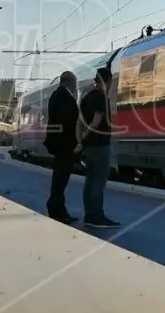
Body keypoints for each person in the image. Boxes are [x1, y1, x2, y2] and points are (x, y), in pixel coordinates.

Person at [76, 67, 119, 229]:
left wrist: (81, 142)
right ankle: (97, 216)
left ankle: (89, 215)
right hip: (100, 145)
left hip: (89, 147)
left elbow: (80, 123)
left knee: (90, 180)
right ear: (108, 81)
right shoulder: (101, 98)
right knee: (99, 181)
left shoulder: (86, 98)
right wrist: (85, 139)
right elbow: (95, 121)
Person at [43, 71, 81, 222]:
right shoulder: (62, 96)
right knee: (60, 178)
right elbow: (66, 119)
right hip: (63, 144)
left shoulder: (57, 95)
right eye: (75, 83)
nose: (75, 86)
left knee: (60, 177)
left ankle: (58, 209)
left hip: (60, 143)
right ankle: (56, 209)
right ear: (70, 82)